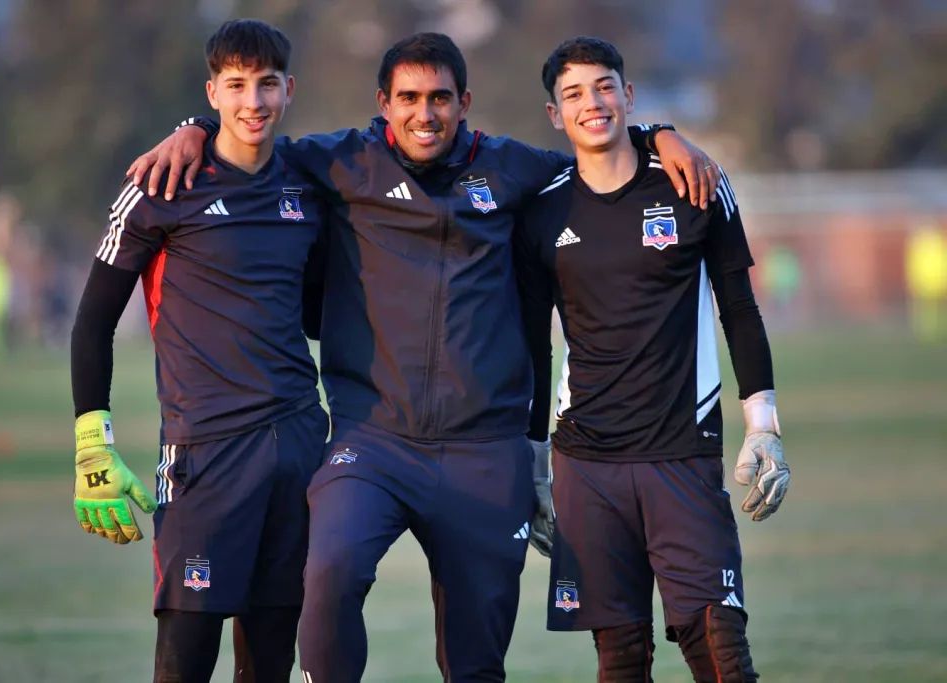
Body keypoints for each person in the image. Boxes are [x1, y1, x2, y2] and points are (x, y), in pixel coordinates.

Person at [126, 32, 720, 683]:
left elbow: (596, 151)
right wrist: (193, 127)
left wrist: (657, 133)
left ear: (464, 102)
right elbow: (248, 128)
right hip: (371, 443)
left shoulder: (511, 168)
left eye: (440, 98)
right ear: (384, 103)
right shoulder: (340, 161)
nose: (424, 113)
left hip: (483, 452)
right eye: (408, 98)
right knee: (326, 571)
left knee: (475, 661)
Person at [513, 37, 790, 683]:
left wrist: (765, 426)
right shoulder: (542, 208)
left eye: (605, 86)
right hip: (585, 462)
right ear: (555, 113)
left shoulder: (694, 183)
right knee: (622, 658)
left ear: (628, 95)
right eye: (574, 93)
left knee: (722, 653)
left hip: (682, 454)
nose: (592, 103)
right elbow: (534, 341)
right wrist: (531, 462)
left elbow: (740, 310)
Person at [70, 20, 329, 683]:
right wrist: (92, 441)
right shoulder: (163, 185)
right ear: (213, 92)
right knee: (184, 662)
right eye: (236, 86)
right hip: (204, 455)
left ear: (289, 89)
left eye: (267, 85)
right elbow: (93, 322)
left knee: (271, 661)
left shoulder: (307, 180)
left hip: (299, 446)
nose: (253, 103)